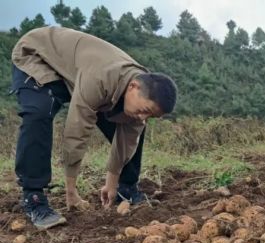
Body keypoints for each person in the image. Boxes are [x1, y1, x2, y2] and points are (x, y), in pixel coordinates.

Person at [11, 26, 177, 229]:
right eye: (145, 109)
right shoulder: (100, 79)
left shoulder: (138, 90)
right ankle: (33, 197)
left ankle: (126, 188)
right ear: (133, 86)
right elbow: (77, 132)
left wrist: (112, 183)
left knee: (136, 127)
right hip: (38, 55)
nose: (144, 116)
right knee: (38, 112)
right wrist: (71, 191)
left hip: (79, 71)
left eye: (151, 114)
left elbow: (126, 143)